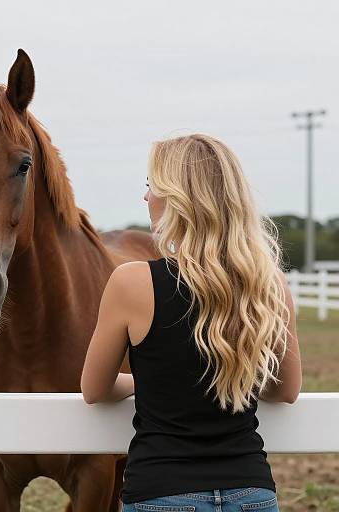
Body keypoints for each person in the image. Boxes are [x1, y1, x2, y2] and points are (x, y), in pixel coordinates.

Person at [80, 133, 302, 512]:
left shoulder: (133, 282)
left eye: (150, 186)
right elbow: (285, 390)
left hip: (161, 492)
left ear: (176, 199)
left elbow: (94, 389)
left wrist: (143, 381)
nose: (145, 197)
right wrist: (234, 372)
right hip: (252, 493)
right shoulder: (268, 283)